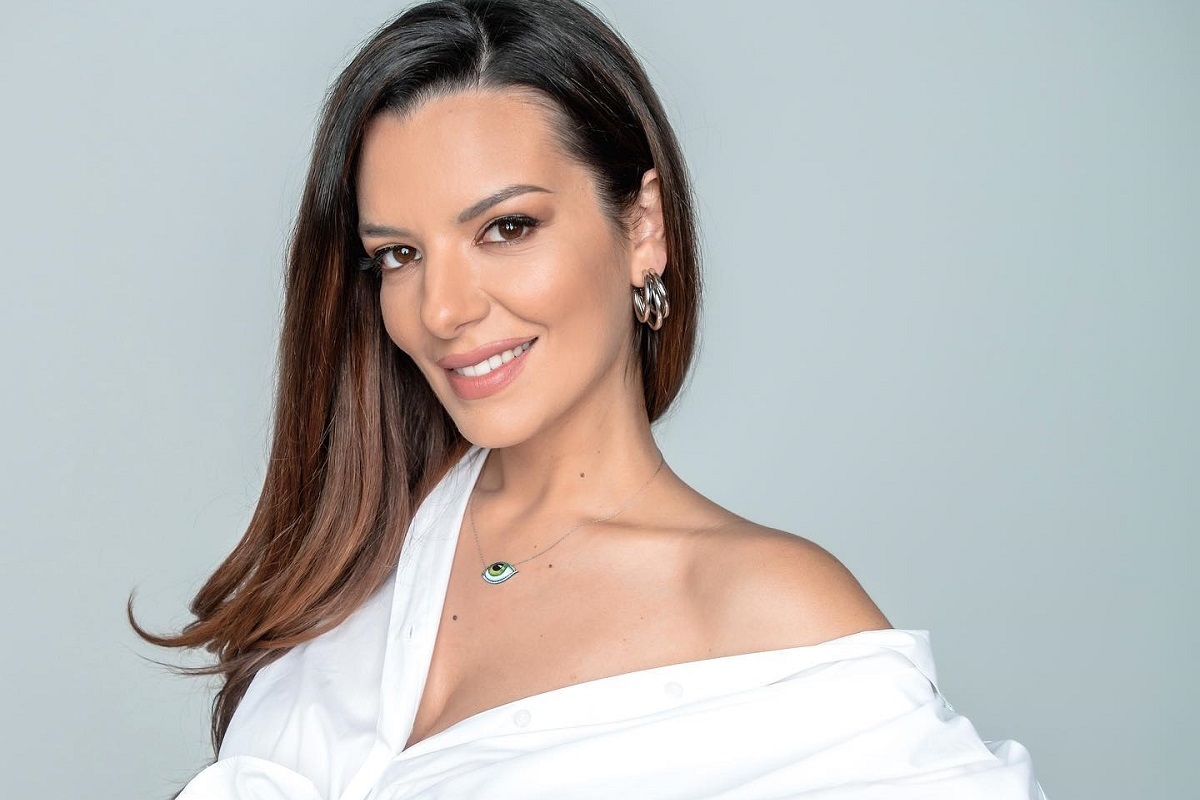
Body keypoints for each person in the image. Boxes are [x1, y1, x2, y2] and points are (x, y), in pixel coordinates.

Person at [135, 0, 1046, 796]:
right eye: (399, 255)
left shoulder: (767, 610)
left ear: (642, 226)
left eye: (506, 228)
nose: (442, 310)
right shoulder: (353, 554)